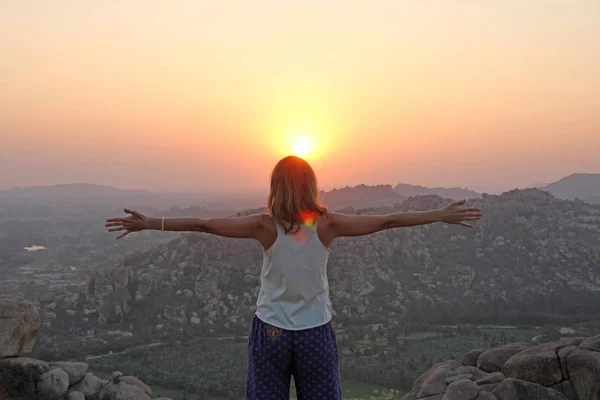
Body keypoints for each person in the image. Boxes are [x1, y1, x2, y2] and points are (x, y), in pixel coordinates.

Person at [105, 155, 482, 400]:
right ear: (310, 186)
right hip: (315, 331)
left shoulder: (264, 226)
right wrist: (438, 214)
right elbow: (386, 221)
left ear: (275, 188)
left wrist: (151, 223)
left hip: (270, 331)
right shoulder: (327, 224)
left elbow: (205, 225)